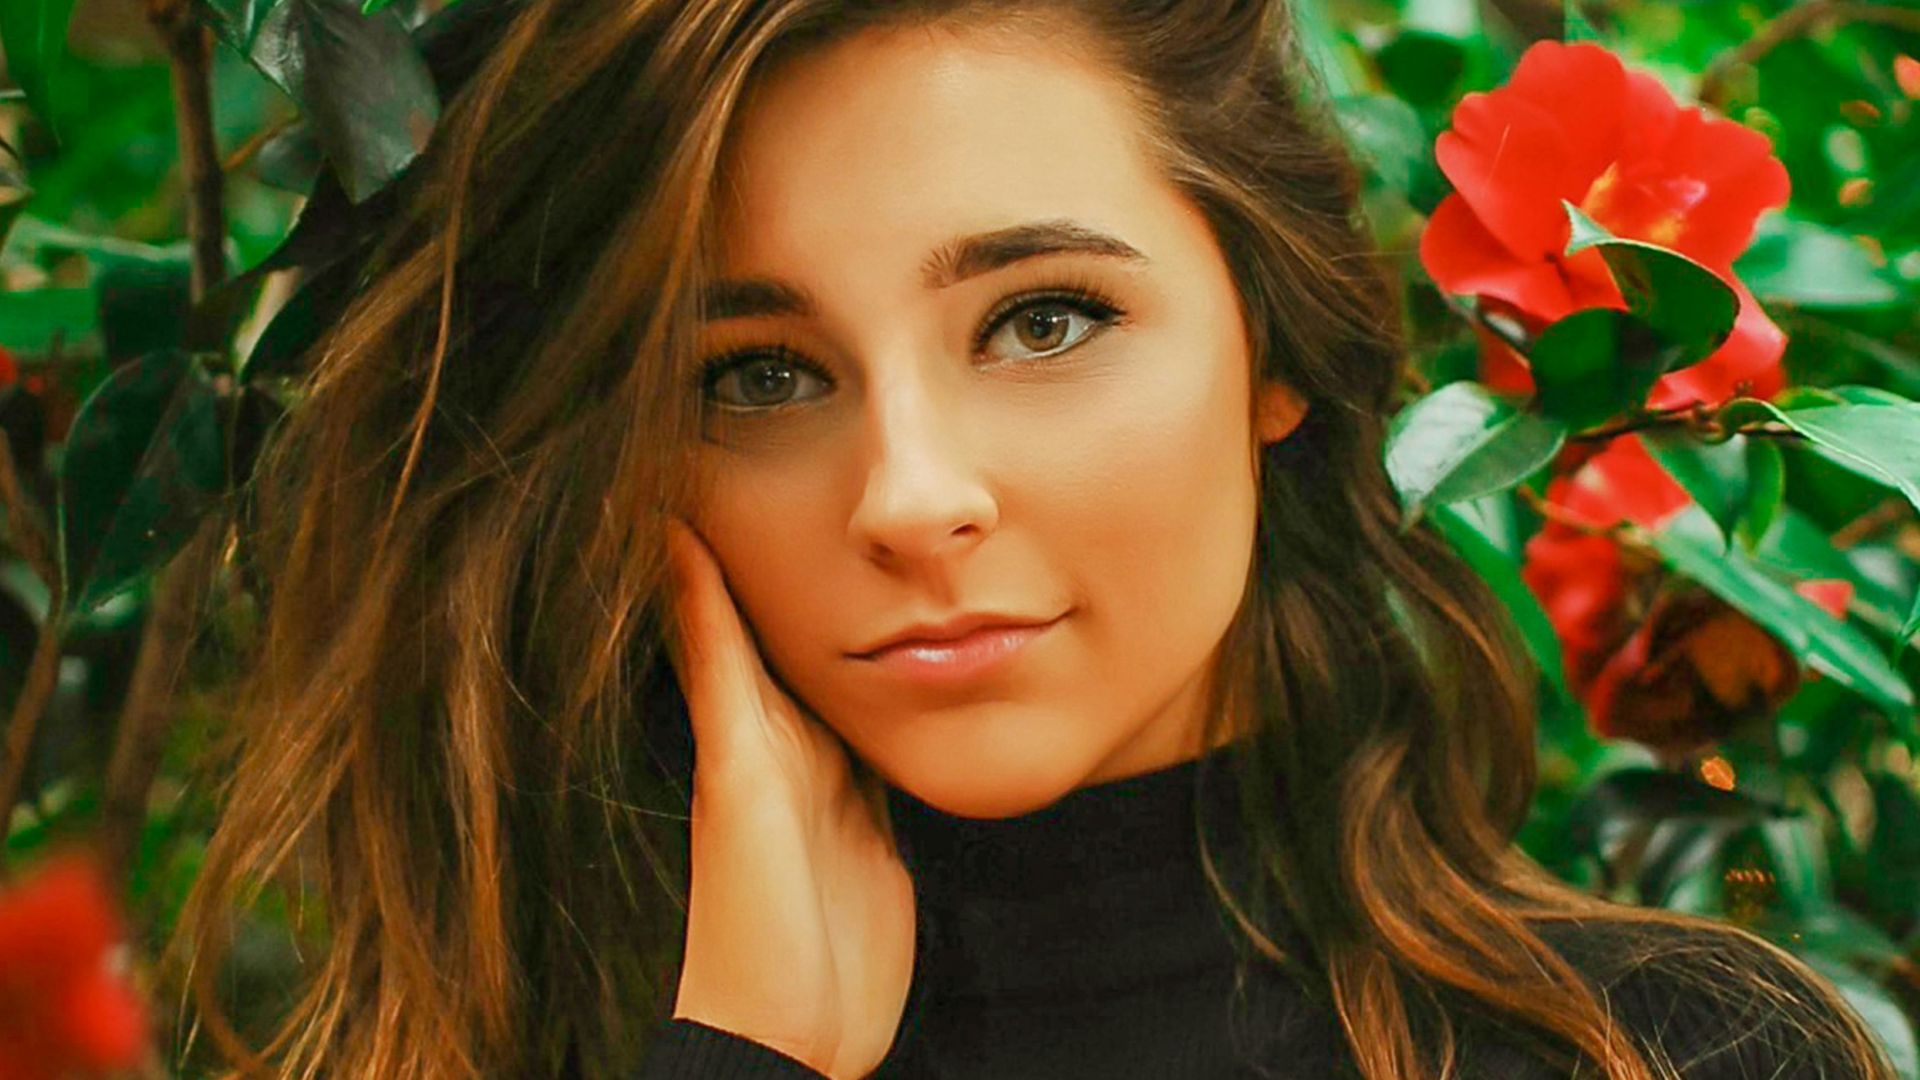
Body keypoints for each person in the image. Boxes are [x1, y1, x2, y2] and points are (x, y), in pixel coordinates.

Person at [164, 0, 1897, 1078]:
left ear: (1273, 350)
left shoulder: (1679, 1056)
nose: (910, 497)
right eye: (758, 375)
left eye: (1042, 322)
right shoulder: (511, 1045)